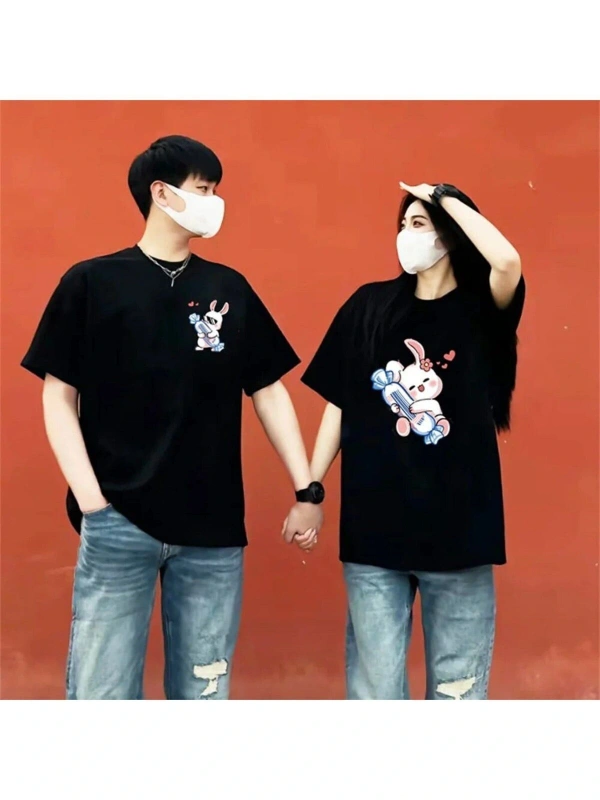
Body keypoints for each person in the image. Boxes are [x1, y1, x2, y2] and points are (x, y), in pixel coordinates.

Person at [21, 135, 323, 700]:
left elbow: (268, 390)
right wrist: (93, 503)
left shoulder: (228, 288)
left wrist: (306, 488)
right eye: (203, 189)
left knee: (203, 694)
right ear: (161, 193)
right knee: (102, 694)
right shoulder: (91, 282)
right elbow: (58, 396)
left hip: (212, 530)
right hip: (117, 521)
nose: (215, 201)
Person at [292, 182, 525, 700]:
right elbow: (339, 404)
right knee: (375, 695)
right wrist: (310, 491)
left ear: (451, 233)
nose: (405, 235)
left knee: (458, 693)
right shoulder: (369, 306)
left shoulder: (482, 309)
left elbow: (507, 261)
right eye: (402, 225)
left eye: (418, 224)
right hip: (374, 534)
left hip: (461, 535)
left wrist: (444, 198)